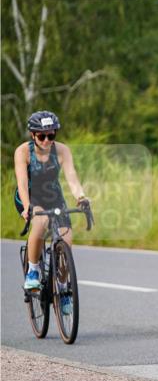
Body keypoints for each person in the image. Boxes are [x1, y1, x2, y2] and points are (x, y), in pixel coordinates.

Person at [13, 111, 89, 313]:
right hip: (29, 196)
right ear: (32, 135)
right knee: (41, 222)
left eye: (51, 135)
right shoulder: (23, 152)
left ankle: (63, 290)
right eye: (41, 136)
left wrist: (81, 197)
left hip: (53, 196)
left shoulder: (62, 150)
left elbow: (72, 178)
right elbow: (21, 182)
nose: (47, 140)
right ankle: (33, 270)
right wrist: (28, 207)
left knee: (67, 240)